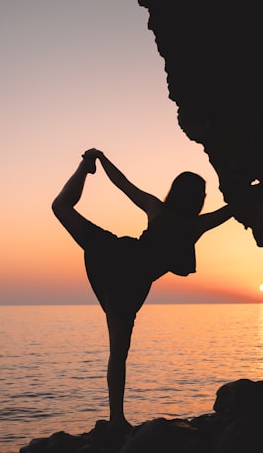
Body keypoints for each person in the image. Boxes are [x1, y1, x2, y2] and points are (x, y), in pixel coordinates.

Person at [52, 148, 235, 432]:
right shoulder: (196, 225)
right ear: (197, 198)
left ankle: (84, 166)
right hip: (129, 279)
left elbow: (123, 184)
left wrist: (99, 158)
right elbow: (234, 209)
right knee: (119, 351)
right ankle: (116, 419)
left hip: (114, 256)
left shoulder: (158, 209)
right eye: (203, 194)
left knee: (61, 207)